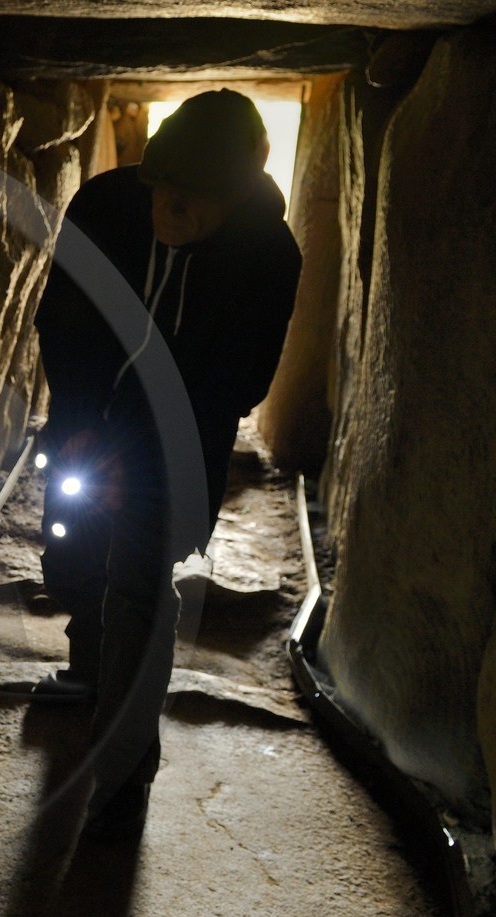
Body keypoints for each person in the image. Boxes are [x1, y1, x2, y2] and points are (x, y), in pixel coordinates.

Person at [32, 89, 302, 838]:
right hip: (92, 422)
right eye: (161, 193)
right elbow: (62, 318)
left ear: (232, 202)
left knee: (144, 589)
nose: (168, 213)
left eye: (191, 204)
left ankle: (121, 772)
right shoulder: (105, 210)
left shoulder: (267, 256)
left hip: (176, 448)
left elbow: (238, 382)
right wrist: (85, 430)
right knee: (75, 551)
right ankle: (87, 664)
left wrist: (139, 460)